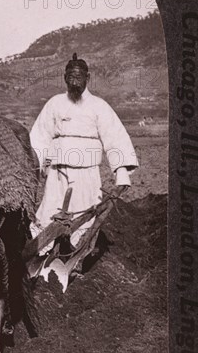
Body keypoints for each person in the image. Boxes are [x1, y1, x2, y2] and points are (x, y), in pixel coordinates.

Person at [29, 52, 138, 263]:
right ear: (64, 77)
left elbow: (114, 137)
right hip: (58, 171)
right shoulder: (54, 104)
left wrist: (122, 172)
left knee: (85, 215)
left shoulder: (99, 106)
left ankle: (75, 259)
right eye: (70, 76)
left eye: (79, 76)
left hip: (87, 173)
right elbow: (40, 136)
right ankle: (40, 256)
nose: (74, 80)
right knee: (48, 211)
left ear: (88, 78)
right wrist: (39, 163)